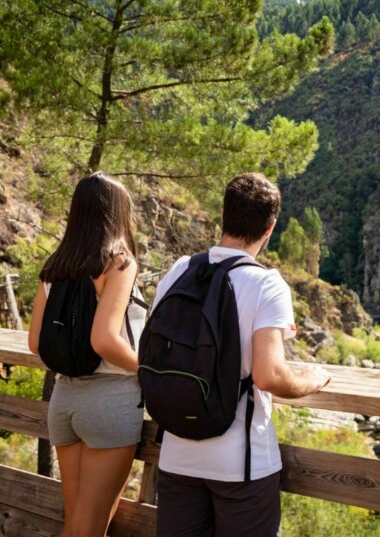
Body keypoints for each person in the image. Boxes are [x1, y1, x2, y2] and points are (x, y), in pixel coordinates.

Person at [153, 172, 331, 537]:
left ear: (223, 214)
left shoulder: (179, 271)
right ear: (270, 228)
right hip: (240, 463)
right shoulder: (267, 283)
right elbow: (268, 375)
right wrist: (313, 379)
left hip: (176, 453)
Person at [27, 172, 146, 536]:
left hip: (65, 402)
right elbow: (105, 340)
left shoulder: (56, 266)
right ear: (118, 214)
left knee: (77, 524)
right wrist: (149, 367)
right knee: (90, 529)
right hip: (109, 403)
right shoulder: (119, 263)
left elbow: (35, 343)